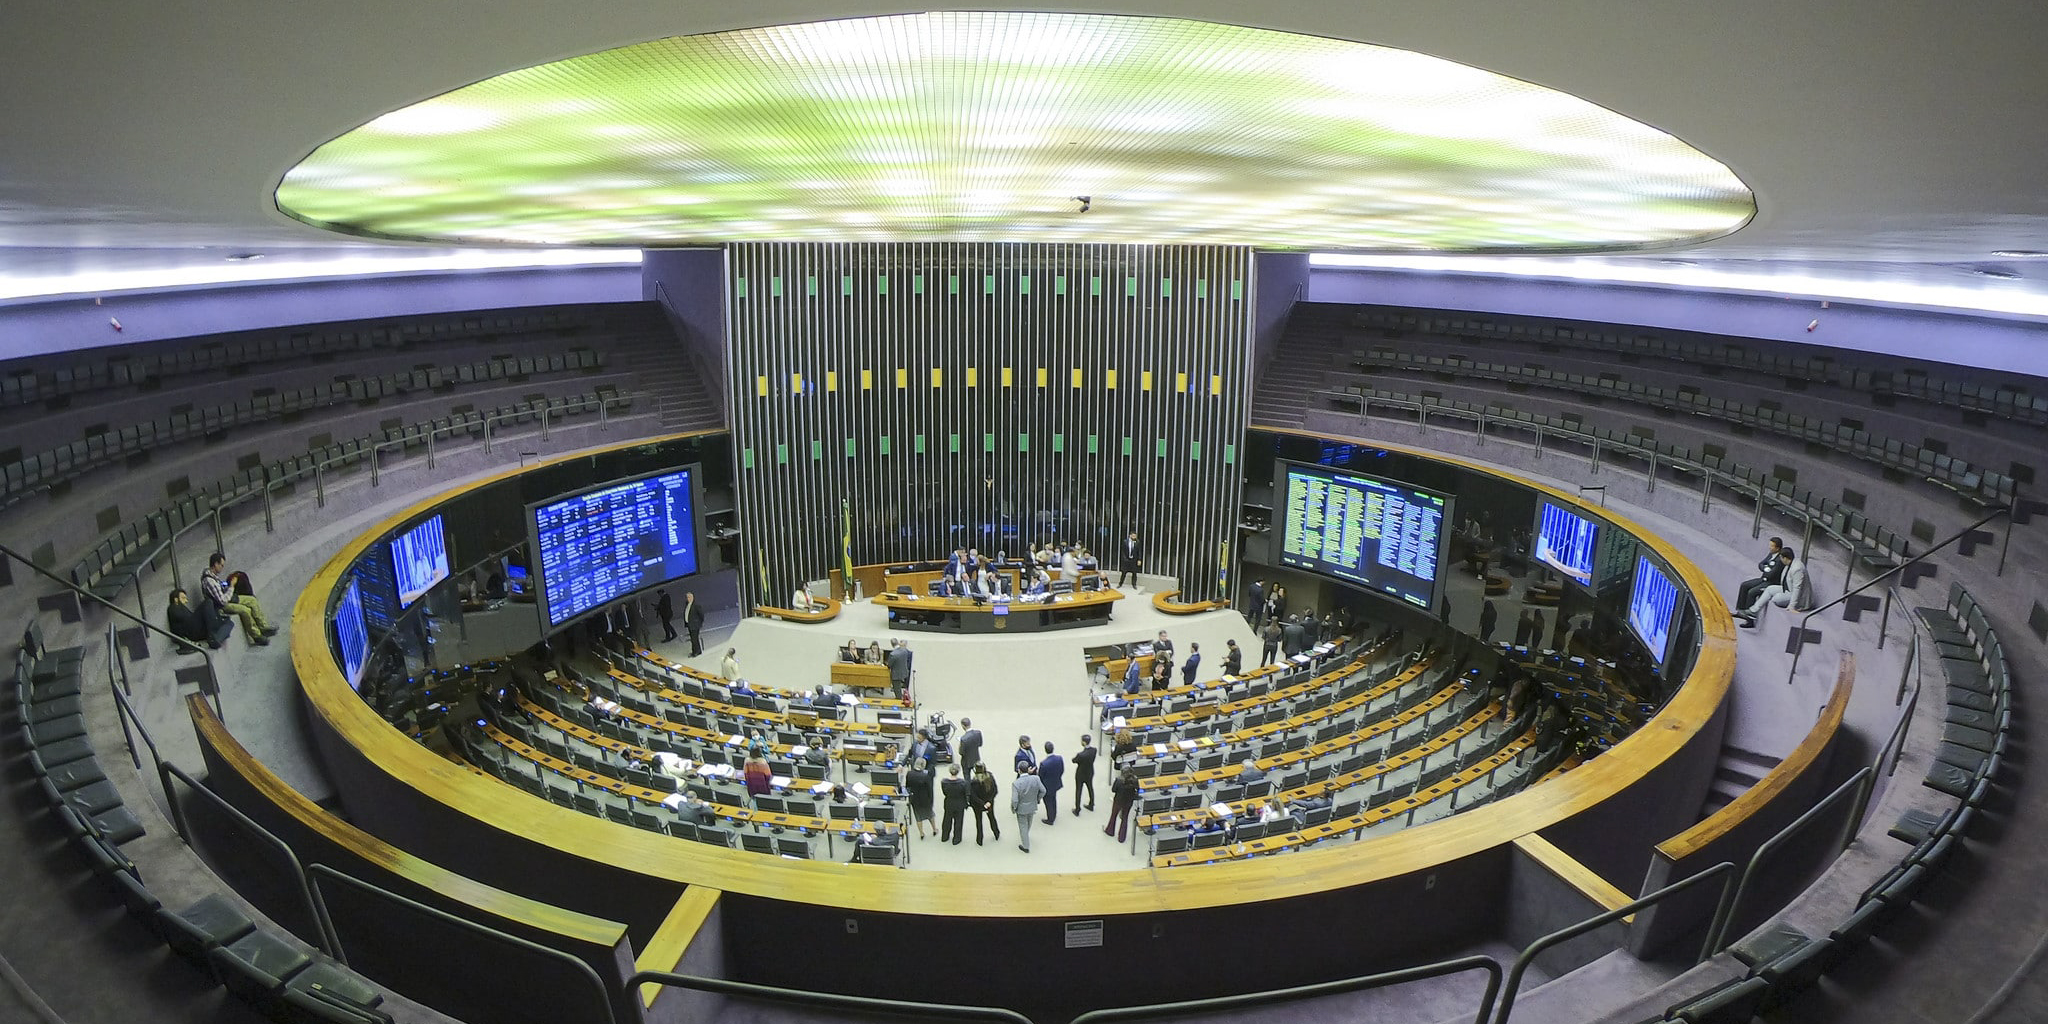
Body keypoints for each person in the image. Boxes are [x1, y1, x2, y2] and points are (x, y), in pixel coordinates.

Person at [202, 552, 277, 647]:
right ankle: (257, 636)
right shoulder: (209, 581)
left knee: (252, 600)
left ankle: (263, 626)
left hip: (228, 598)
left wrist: (228, 586)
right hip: (221, 606)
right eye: (221, 565)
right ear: (215, 564)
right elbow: (222, 600)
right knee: (245, 610)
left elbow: (221, 589)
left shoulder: (213, 576)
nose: (222, 567)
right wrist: (232, 587)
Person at [1737, 549, 1808, 626]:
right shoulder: (1790, 564)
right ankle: (1753, 611)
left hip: (1797, 596)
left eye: (1781, 558)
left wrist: (1792, 606)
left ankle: (1753, 612)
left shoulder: (1797, 569)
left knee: (1776, 598)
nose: (1780, 560)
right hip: (1787, 589)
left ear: (1784, 558)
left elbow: (1797, 588)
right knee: (1770, 589)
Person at [166, 588, 229, 652]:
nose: (186, 601)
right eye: (183, 598)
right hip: (190, 631)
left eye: (186, 599)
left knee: (228, 622)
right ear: (176, 599)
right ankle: (214, 635)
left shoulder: (182, 608)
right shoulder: (173, 608)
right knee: (208, 602)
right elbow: (184, 621)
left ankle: (217, 635)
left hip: (196, 631)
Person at [1736, 537, 1787, 610]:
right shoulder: (1771, 554)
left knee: (1752, 592)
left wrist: (1766, 569)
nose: (1769, 547)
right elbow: (1761, 564)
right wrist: (1766, 568)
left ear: (1777, 548)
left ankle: (1748, 614)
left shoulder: (1779, 560)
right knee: (1744, 585)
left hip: (1771, 582)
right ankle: (1740, 609)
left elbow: (1771, 574)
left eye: (1772, 546)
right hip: (1763, 579)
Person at [1011, 765, 1045, 853]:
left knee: (1023, 825)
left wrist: (1014, 808)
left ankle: (1025, 846)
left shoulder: (1016, 783)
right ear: (1028, 770)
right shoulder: (1036, 779)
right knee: (1029, 821)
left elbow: (1015, 800)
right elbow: (1043, 791)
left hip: (1021, 808)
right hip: (1032, 805)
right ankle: (1026, 834)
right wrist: (1037, 799)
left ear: (1019, 771)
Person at [1103, 767, 1141, 843]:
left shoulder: (1118, 780)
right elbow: (1138, 789)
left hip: (1118, 801)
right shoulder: (1135, 780)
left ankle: (1110, 831)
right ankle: (1121, 838)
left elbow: (1113, 790)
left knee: (1113, 815)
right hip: (1128, 802)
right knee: (1125, 818)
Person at [967, 763, 1001, 845]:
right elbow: (995, 790)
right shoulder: (990, 778)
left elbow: (973, 796)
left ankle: (980, 839)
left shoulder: (974, 782)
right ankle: (996, 833)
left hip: (978, 805)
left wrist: (982, 804)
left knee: (978, 821)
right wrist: (989, 801)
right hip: (989, 803)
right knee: (992, 818)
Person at [939, 765, 970, 844]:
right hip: (959, 804)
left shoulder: (944, 782)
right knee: (958, 821)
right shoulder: (963, 783)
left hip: (949, 803)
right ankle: (957, 839)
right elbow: (965, 793)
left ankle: (945, 836)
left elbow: (944, 793)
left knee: (947, 820)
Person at [906, 757, 936, 839]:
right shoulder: (926, 776)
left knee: (918, 817)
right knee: (930, 814)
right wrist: (931, 800)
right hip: (925, 799)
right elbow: (930, 789)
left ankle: (921, 833)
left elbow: (907, 786)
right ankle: (934, 829)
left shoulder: (909, 774)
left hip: (914, 799)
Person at [1037, 742, 1065, 824]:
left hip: (1046, 786)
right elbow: (1062, 770)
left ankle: (1050, 819)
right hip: (1056, 783)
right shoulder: (1059, 758)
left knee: (1048, 802)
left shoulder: (1043, 764)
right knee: (1053, 799)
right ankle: (1054, 814)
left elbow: (1040, 777)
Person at [1071, 734, 1097, 814]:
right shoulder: (1094, 750)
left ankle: (1077, 809)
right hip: (1089, 772)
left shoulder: (1081, 755)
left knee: (1078, 790)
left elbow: (1074, 760)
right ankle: (1091, 804)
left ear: (1084, 742)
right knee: (1090, 788)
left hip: (1080, 774)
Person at [682, 591, 705, 656]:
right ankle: (696, 651)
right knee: (693, 639)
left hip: (695, 625)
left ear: (692, 597)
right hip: (690, 625)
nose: (688, 598)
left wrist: (699, 623)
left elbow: (701, 615)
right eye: (687, 597)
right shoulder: (687, 604)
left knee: (694, 639)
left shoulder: (696, 605)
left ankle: (696, 652)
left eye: (689, 597)